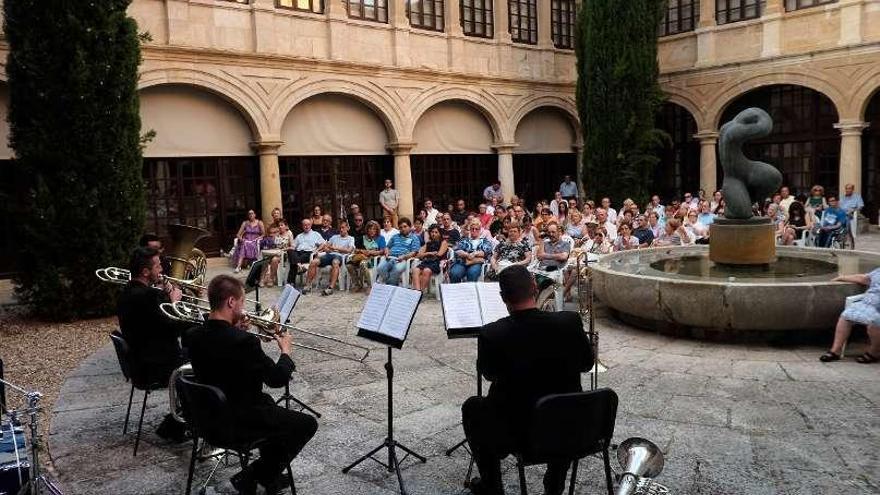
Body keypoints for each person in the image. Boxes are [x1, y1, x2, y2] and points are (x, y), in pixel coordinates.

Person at [462, 265, 593, 495]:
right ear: (534, 287)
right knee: (562, 407)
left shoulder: (492, 333)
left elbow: (489, 374)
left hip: (519, 435)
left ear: (503, 298)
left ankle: (492, 487)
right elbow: (586, 364)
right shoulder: (570, 322)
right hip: (569, 430)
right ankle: (555, 485)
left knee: (473, 407)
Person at [183, 275, 318, 494]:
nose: (244, 308)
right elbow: (276, 379)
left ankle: (267, 477)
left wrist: (238, 329)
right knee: (306, 424)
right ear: (230, 302)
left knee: (275, 414)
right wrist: (285, 352)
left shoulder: (192, 335)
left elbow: (223, 356)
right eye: (242, 302)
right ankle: (251, 478)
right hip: (240, 420)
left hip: (206, 418)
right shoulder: (245, 343)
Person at [117, 247, 190, 441]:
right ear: (145, 272)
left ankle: (181, 420)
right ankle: (183, 422)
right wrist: (174, 302)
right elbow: (175, 329)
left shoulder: (127, 292)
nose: (161, 270)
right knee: (206, 358)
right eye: (158, 266)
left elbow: (157, 327)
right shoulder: (149, 296)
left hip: (142, 359)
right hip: (156, 364)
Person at [819, 270, 880, 364]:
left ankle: (874, 352)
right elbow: (864, 278)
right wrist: (842, 277)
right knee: (846, 316)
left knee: (874, 323)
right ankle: (835, 351)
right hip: (868, 303)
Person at [303, 220, 355, 295]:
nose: (341, 230)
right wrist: (329, 249)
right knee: (314, 262)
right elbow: (326, 247)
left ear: (348, 228)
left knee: (335, 262)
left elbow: (349, 250)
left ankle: (330, 288)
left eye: (343, 228)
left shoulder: (350, 238)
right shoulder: (334, 237)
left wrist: (335, 248)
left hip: (340, 257)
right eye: (340, 228)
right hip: (329, 255)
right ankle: (308, 286)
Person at [375, 218, 420, 286]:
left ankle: (389, 286)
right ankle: (392, 284)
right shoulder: (395, 236)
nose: (403, 229)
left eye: (405, 226)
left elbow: (414, 252)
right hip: (389, 257)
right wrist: (386, 252)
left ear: (410, 227)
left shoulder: (414, 238)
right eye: (401, 227)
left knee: (396, 269)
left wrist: (404, 257)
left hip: (402, 259)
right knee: (380, 268)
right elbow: (387, 247)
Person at [347, 220, 386, 293]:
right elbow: (356, 249)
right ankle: (357, 285)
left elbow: (382, 251)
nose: (372, 231)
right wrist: (362, 251)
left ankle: (369, 285)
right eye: (370, 229)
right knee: (349, 265)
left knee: (363, 263)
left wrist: (372, 252)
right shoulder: (362, 238)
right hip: (361, 257)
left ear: (377, 230)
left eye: (374, 229)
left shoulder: (380, 238)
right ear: (367, 229)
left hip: (374, 259)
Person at [411, 225, 449, 291]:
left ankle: (421, 291)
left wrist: (425, 254)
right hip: (427, 261)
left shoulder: (443, 242)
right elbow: (418, 255)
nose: (433, 234)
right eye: (432, 232)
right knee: (415, 270)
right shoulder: (428, 243)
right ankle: (417, 291)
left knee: (426, 270)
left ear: (440, 233)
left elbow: (439, 254)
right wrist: (428, 253)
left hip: (437, 262)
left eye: (436, 232)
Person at [286, 219, 325, 284]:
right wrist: (286, 249)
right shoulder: (299, 236)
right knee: (290, 251)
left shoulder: (316, 234)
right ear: (302, 226)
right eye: (304, 225)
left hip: (309, 253)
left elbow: (323, 243)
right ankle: (299, 265)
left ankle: (291, 283)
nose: (306, 226)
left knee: (293, 263)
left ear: (311, 225)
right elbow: (293, 246)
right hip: (298, 253)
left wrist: (317, 250)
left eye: (308, 225)